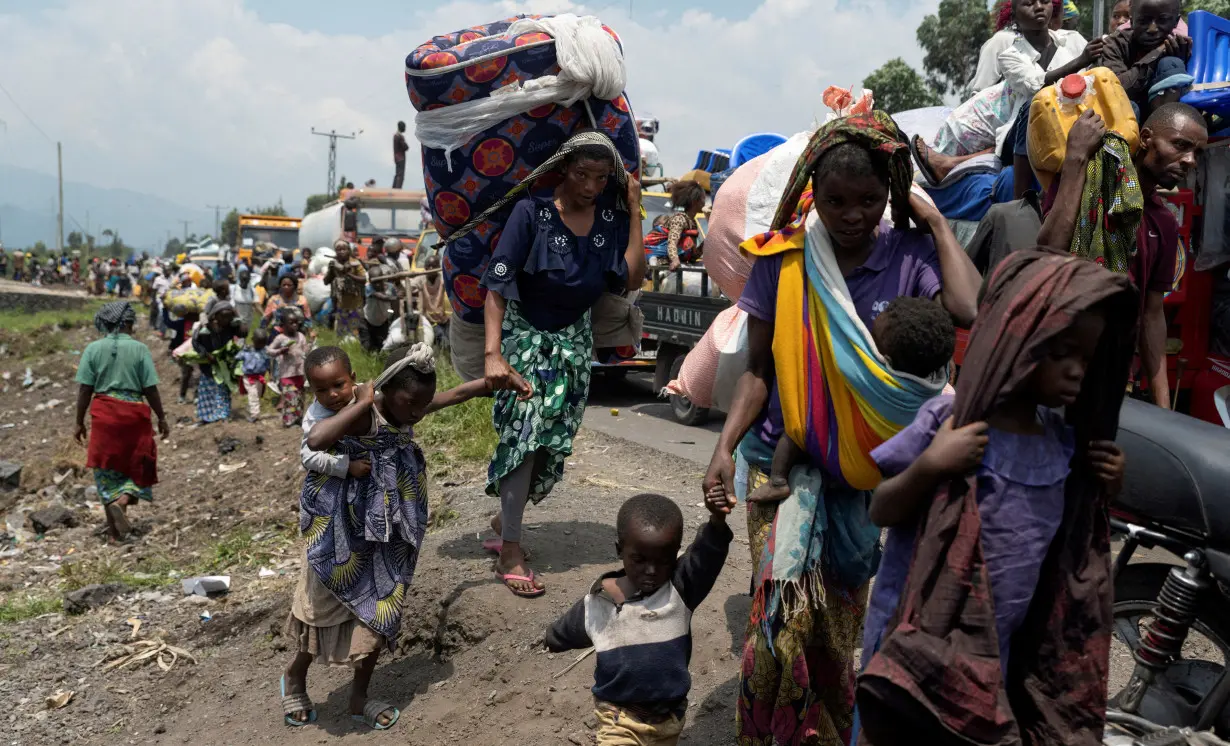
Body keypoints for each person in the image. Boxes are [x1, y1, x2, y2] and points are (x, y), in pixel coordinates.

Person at [699, 111, 981, 745]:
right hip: (779, 456)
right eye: (835, 201)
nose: (852, 215)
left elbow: (967, 308)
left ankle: (824, 734)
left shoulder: (911, 254)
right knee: (781, 615)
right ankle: (765, 733)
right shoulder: (784, 258)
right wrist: (722, 448)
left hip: (866, 471)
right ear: (812, 195)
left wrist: (932, 218)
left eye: (869, 200)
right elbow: (759, 369)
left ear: (889, 195)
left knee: (838, 626)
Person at [855, 250, 1136, 746]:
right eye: (1060, 352)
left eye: (1086, 359)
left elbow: (1074, 534)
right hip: (917, 633)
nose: (1076, 371)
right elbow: (882, 507)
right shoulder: (948, 424)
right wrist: (932, 466)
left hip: (995, 646)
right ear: (1018, 341)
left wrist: (1107, 483)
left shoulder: (1062, 445)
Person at [474, 130, 647, 597]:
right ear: (561, 171)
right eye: (580, 174)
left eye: (600, 177)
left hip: (574, 342)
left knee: (551, 442)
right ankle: (510, 550)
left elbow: (632, 276)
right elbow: (496, 288)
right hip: (525, 337)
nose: (589, 186)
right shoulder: (531, 213)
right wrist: (493, 354)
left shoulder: (610, 217)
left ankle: (506, 518)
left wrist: (633, 210)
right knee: (524, 435)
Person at [282, 343, 489, 730]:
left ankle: (359, 697)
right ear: (387, 391)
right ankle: (296, 674)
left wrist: (491, 382)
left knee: (382, 607)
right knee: (322, 607)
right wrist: (361, 404)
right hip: (340, 530)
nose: (418, 411)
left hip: (387, 529)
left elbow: (454, 395)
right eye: (412, 402)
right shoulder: (359, 414)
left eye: (422, 403)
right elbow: (313, 443)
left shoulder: (406, 405)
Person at [1038, 104, 1208, 408]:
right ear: (1146, 138)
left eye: (1197, 154)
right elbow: (1048, 250)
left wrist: (1163, 410)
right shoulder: (1090, 183)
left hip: (1110, 377)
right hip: (1054, 362)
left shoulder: (1164, 222)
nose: (1189, 161)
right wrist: (1077, 157)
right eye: (1180, 146)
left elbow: (1152, 315)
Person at [545, 492, 733, 746]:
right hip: (618, 718)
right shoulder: (598, 604)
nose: (651, 571)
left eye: (663, 561)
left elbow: (706, 557)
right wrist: (551, 638)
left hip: (668, 720)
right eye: (639, 560)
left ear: (675, 553)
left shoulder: (680, 592)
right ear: (620, 550)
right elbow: (565, 630)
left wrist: (717, 520)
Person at [750, 296, 956, 504]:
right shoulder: (935, 379)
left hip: (846, 455)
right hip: (874, 468)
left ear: (889, 361)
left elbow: (839, 364)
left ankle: (777, 480)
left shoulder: (874, 378)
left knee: (798, 425)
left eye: (872, 341)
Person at [915, 0, 1100, 195]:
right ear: (1014, 17)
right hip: (1020, 128)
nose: (1038, 7)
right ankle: (1020, 198)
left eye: (1045, 1)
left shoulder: (1073, 41)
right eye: (1028, 3)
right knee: (1033, 107)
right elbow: (1034, 86)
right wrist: (1081, 61)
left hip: (1065, 121)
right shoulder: (1009, 56)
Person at [73, 302, 171, 541]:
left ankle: (115, 536)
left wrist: (78, 422)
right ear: (128, 323)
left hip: (104, 414)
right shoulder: (140, 349)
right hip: (134, 413)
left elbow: (85, 389)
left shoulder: (92, 349)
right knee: (139, 464)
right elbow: (150, 388)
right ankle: (124, 499)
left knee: (107, 472)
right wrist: (162, 417)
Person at [1101, 0, 1193, 117]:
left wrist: (1183, 61)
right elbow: (1116, 90)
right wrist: (1157, 54)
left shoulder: (1181, 46)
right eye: (1143, 21)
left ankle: (1162, 129)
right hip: (1124, 120)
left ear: (1175, 21)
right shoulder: (1114, 44)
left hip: (1167, 120)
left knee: (1172, 64)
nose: (1152, 29)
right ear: (1132, 20)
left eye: (1162, 20)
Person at [188, 302, 245, 425]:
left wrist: (237, 315)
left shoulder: (231, 326)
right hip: (208, 365)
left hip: (224, 365)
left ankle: (222, 415)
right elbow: (195, 342)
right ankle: (206, 417)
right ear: (215, 316)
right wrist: (206, 355)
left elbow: (243, 333)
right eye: (223, 316)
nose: (226, 319)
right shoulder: (206, 327)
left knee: (223, 390)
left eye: (229, 316)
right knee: (207, 391)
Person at [645, 180, 706, 271]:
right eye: (702, 199)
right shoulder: (679, 219)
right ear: (694, 201)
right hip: (662, 266)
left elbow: (692, 257)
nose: (704, 203)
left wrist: (706, 243)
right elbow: (672, 242)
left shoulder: (692, 224)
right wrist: (675, 260)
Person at [269, 312, 310, 427]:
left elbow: (305, 350)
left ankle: (298, 419)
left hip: (300, 372)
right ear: (283, 325)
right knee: (290, 397)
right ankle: (288, 421)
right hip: (287, 374)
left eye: (296, 322)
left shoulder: (300, 336)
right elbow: (269, 351)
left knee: (300, 397)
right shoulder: (280, 338)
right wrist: (280, 351)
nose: (295, 325)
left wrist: (309, 346)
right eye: (291, 323)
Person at [324, 239, 367, 339]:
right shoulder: (334, 264)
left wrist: (349, 274)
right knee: (341, 333)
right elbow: (326, 281)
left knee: (355, 332)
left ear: (349, 250)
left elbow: (364, 279)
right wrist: (331, 270)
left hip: (355, 303)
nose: (341, 252)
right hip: (340, 304)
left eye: (344, 249)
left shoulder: (355, 263)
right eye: (338, 250)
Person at [411, 254, 450, 344]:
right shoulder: (421, 279)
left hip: (444, 318)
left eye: (434, 266)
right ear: (425, 267)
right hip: (429, 320)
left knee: (450, 341)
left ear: (438, 267)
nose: (431, 268)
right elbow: (408, 287)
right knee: (443, 340)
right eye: (428, 266)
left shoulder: (442, 278)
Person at [361, 264, 398, 353]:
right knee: (368, 348)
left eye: (379, 281)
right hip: (368, 320)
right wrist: (395, 297)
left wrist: (393, 313)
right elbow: (381, 297)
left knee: (381, 345)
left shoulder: (390, 287)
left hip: (383, 321)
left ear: (383, 278)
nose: (377, 285)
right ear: (370, 280)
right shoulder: (368, 288)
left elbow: (394, 302)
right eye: (375, 282)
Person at [237, 328, 271, 423]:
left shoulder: (265, 351)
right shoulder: (247, 350)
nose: (261, 345)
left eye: (263, 343)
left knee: (257, 395)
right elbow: (238, 357)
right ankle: (255, 415)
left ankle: (251, 408)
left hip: (260, 377)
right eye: (259, 342)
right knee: (253, 394)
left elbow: (268, 363)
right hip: (249, 377)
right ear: (253, 340)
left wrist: (270, 372)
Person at [392, 121, 409, 189]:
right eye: (404, 127)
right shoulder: (400, 136)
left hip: (396, 157)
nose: (405, 128)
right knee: (400, 175)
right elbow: (405, 147)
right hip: (401, 157)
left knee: (397, 174)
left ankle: (394, 188)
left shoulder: (395, 135)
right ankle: (398, 189)